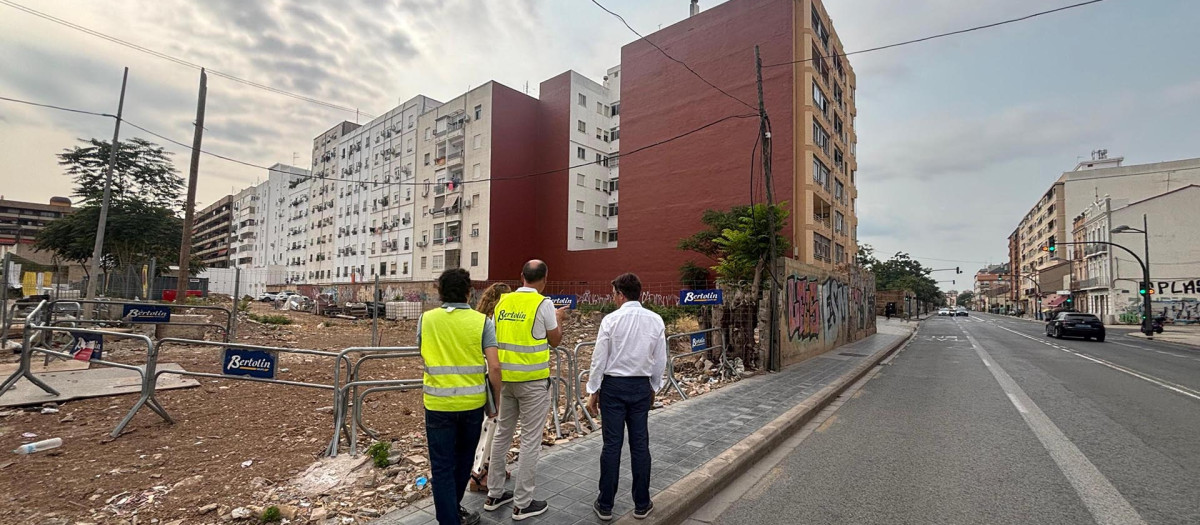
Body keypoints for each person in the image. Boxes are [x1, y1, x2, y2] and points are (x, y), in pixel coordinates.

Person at [418, 269, 502, 525]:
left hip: (437, 404)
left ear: (441, 292)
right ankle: (453, 511)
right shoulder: (482, 322)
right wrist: (494, 403)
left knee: (442, 467)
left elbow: (423, 352)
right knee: (464, 460)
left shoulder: (426, 319)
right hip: (472, 405)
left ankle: (449, 517)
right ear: (469, 292)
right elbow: (495, 367)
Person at [484, 260, 566, 521]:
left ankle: (494, 494)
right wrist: (559, 319)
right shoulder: (544, 305)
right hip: (532, 383)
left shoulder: (503, 302)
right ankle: (522, 503)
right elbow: (555, 340)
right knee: (530, 440)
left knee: (502, 435)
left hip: (505, 381)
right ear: (545, 278)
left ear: (521, 277)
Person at [585, 273, 667, 521]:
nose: (613, 298)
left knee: (612, 445)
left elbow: (599, 359)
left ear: (621, 294)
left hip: (613, 388)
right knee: (640, 444)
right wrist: (654, 387)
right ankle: (642, 503)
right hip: (641, 387)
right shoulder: (655, 320)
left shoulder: (610, 320)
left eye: (613, 294)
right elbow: (660, 359)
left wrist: (593, 391)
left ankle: (606, 504)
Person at [468, 282, 512, 491]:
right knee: (492, 424)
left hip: (480, 376)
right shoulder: (494, 321)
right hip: (491, 376)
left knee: (491, 425)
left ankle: (492, 468)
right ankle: (479, 473)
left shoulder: (481, 319)